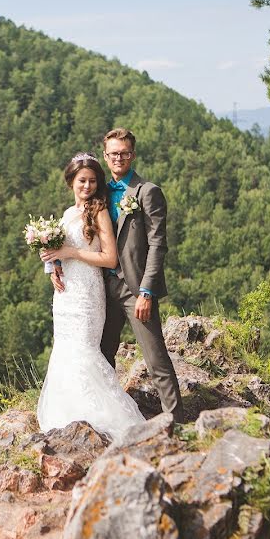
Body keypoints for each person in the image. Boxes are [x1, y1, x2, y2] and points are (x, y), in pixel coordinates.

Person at [52, 128, 184, 421]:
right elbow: (73, 237)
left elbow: (158, 245)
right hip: (100, 287)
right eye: (113, 154)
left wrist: (146, 291)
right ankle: (106, 415)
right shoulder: (98, 194)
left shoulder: (147, 192)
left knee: (155, 358)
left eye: (124, 153)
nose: (119, 158)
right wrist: (54, 265)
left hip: (135, 288)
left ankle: (177, 422)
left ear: (132, 155)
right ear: (106, 156)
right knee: (101, 354)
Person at [36, 153, 145, 441]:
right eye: (82, 180)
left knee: (85, 352)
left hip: (87, 295)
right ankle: (68, 414)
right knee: (65, 351)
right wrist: (54, 266)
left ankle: (104, 417)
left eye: (93, 181)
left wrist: (69, 254)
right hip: (65, 296)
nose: (87, 186)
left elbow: (109, 258)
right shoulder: (67, 214)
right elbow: (60, 251)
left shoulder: (97, 211)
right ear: (71, 181)